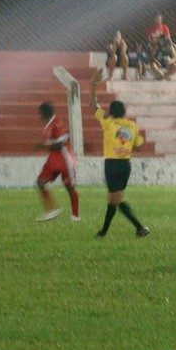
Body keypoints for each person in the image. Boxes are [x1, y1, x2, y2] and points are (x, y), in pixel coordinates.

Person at [89, 68, 149, 238]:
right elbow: (139, 145)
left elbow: (92, 104)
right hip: (125, 165)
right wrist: (126, 146)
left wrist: (94, 83)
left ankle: (140, 227)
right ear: (124, 112)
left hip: (112, 164)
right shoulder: (132, 125)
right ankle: (104, 232)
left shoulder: (108, 122)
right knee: (114, 198)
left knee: (115, 198)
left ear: (111, 112)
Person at [34, 102, 80, 222]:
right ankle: (52, 209)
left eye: (40, 113)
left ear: (44, 113)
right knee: (40, 182)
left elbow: (60, 144)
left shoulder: (57, 124)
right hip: (53, 158)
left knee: (69, 186)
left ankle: (75, 216)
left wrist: (42, 146)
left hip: (64, 158)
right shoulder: (49, 125)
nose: (38, 116)